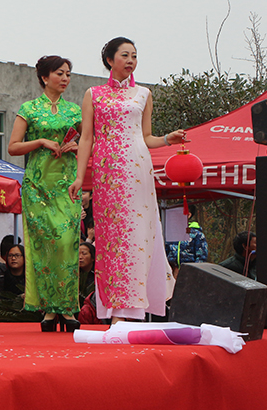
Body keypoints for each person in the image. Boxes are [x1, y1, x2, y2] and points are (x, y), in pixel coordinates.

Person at [69, 37, 184, 324]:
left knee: (137, 234)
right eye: (125, 55)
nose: (131, 60)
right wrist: (80, 177)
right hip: (106, 171)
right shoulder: (93, 94)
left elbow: (146, 137)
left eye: (134, 55)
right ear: (110, 60)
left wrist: (167, 139)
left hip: (137, 168)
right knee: (110, 237)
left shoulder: (143, 94)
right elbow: (86, 138)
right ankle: (115, 308)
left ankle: (131, 309)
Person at [8, 55, 82, 332]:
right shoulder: (29, 109)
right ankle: (50, 309)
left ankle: (67, 305)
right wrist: (40, 141)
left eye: (68, 74)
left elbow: (92, 140)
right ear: (44, 77)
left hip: (68, 185)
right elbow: (13, 147)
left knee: (67, 243)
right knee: (44, 246)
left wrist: (78, 147)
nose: (65, 78)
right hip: (37, 187)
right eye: (59, 73)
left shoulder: (75, 111)